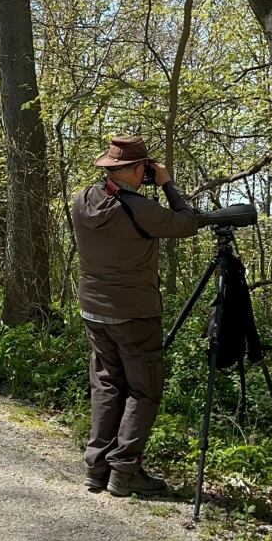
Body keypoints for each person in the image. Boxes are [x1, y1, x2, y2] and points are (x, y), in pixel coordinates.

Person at [72, 135, 198, 497]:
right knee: (144, 391)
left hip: (93, 309)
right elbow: (186, 223)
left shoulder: (83, 199)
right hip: (134, 314)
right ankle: (124, 473)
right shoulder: (138, 209)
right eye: (145, 168)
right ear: (138, 169)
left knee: (107, 385)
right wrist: (167, 183)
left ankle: (96, 470)